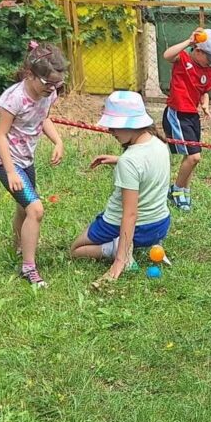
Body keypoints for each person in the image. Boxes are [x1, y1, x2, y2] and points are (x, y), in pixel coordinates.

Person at [68, 91, 171, 287]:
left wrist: (118, 261)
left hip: (131, 228)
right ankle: (134, 246)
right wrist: (119, 160)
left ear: (130, 125)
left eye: (114, 127)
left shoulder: (130, 161)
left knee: (76, 250)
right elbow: (146, 168)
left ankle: (118, 248)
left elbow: (130, 214)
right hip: (159, 227)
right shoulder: (159, 144)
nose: (110, 131)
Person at [0, 41, 67, 288]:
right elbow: (0, 134)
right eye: (48, 83)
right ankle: (29, 269)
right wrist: (10, 171)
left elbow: (43, 118)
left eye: (57, 84)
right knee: (35, 209)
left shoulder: (48, 93)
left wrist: (58, 140)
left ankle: (19, 246)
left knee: (24, 209)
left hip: (26, 159)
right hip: (5, 161)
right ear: (31, 75)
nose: (52, 89)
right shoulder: (14, 99)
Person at [161, 27, 211, 212]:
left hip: (192, 116)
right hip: (177, 113)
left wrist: (205, 104)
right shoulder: (184, 59)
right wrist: (189, 41)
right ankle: (177, 190)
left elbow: (204, 92)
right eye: (209, 58)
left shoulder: (210, 71)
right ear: (198, 51)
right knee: (194, 157)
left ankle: (184, 190)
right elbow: (167, 55)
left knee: (191, 157)